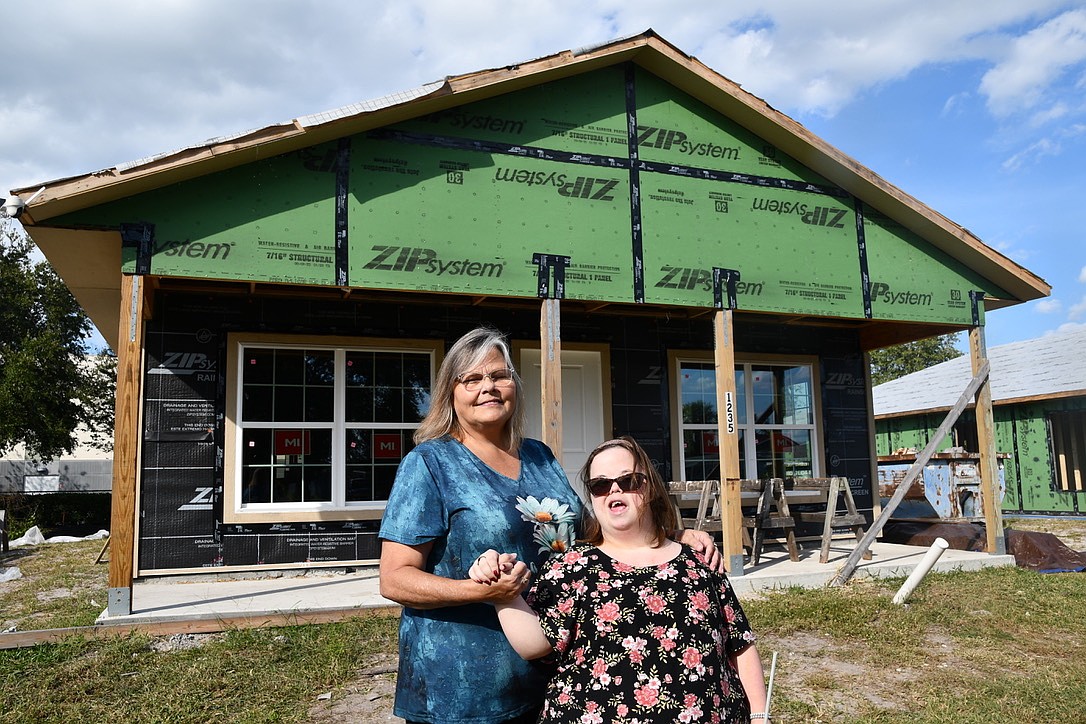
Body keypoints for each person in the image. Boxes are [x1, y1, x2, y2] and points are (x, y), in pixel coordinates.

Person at [379, 327, 723, 724]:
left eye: (499, 375)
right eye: (472, 379)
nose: (488, 388)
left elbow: (590, 531)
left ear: (515, 385)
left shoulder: (539, 455)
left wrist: (669, 538)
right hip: (463, 687)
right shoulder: (430, 463)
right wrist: (480, 590)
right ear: (450, 393)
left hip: (551, 667)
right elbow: (394, 579)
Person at [473, 436, 768, 723]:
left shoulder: (698, 559)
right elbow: (533, 644)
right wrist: (502, 587)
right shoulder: (572, 566)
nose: (614, 491)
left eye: (628, 481)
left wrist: (759, 714)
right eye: (600, 485)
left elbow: (739, 643)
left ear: (649, 487)